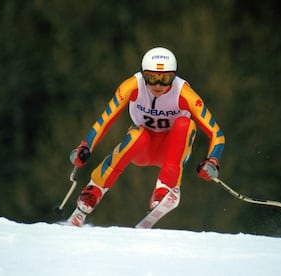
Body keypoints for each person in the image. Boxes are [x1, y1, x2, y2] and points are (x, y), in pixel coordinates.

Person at [67, 47, 225, 227]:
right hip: (143, 148)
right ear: (143, 75)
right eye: (151, 78)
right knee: (138, 135)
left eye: (165, 79)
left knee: (186, 124)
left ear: (174, 78)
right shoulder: (132, 86)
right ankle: (93, 191)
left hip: (172, 151)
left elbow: (216, 133)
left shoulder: (184, 93)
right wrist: (86, 146)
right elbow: (104, 120)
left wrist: (213, 160)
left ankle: (165, 187)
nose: (158, 85)